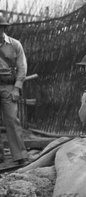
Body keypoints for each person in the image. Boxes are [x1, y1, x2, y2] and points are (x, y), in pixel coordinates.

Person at [0, 15, 28, 164]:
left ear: (4, 28)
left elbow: (22, 67)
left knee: (12, 119)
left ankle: (20, 156)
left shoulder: (14, 44)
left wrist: (17, 88)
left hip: (9, 87)